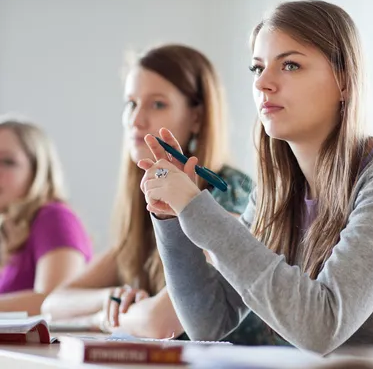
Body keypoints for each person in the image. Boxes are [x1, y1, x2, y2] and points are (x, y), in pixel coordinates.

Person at [137, 0, 373, 354]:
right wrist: (171, 216)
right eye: (257, 68)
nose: (263, 83)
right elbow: (210, 321)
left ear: (345, 82)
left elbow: (322, 326)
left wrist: (197, 208)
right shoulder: (275, 194)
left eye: (290, 65)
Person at [42, 45, 267, 344]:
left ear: (197, 117)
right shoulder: (154, 199)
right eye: (131, 103)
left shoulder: (231, 195)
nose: (136, 120)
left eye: (157, 104)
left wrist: (103, 319)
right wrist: (112, 298)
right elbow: (54, 303)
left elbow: (159, 322)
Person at [0, 117, 92, 314]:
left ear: (37, 170)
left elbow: (55, 302)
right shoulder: (9, 230)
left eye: (8, 162)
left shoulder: (54, 217)